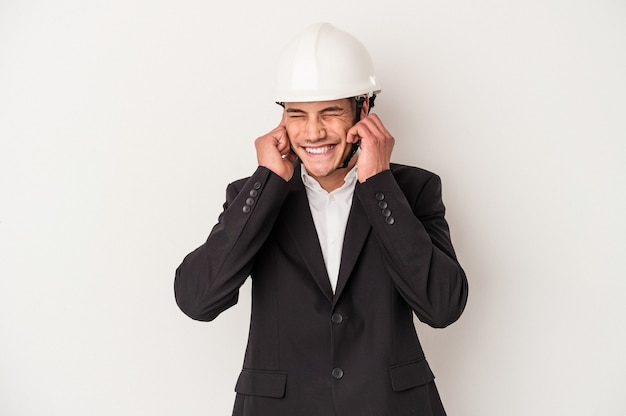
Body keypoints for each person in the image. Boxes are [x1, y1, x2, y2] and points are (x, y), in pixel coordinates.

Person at [174, 22, 468, 416]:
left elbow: (442, 307)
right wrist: (266, 183)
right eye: (298, 115)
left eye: (330, 113)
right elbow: (198, 300)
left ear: (363, 111)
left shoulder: (412, 190)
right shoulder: (253, 195)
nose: (313, 133)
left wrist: (379, 184)